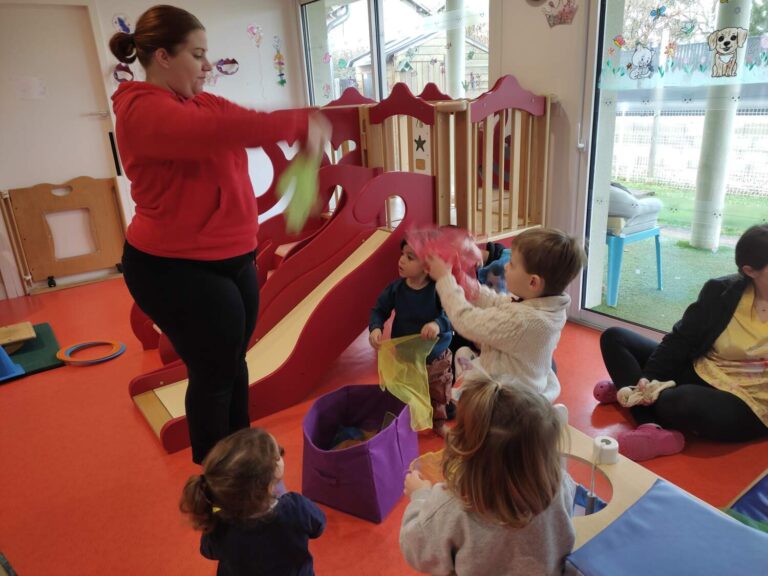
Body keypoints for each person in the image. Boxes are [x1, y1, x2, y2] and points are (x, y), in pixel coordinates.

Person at [109, 5, 329, 463]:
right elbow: (223, 130)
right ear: (164, 56)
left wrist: (301, 124)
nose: (208, 65)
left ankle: (242, 460)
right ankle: (219, 481)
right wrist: (300, 123)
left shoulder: (200, 100)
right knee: (214, 371)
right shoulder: (141, 110)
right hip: (173, 267)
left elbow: (243, 118)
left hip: (232, 257)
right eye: (198, 54)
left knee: (233, 362)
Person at [598, 224, 768, 461]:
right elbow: (681, 340)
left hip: (751, 402)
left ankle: (628, 392)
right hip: (704, 370)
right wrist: (648, 378)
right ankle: (649, 423)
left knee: (680, 400)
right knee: (615, 337)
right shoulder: (721, 292)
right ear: (750, 271)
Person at [399, 373, 576, 576]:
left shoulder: (452, 506)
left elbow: (416, 550)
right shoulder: (560, 484)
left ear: (466, 451)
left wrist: (420, 497)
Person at [426, 228, 586, 402]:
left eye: (512, 264)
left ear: (533, 282)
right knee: (465, 353)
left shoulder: (524, 320)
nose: (505, 266)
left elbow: (466, 320)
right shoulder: (546, 305)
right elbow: (497, 302)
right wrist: (462, 280)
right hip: (527, 378)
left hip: (507, 401)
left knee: (471, 397)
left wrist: (444, 280)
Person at [180, 427, 326, 575]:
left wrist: (216, 510)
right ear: (272, 472)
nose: (282, 453)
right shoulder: (296, 508)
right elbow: (319, 526)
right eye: (278, 454)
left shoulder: (220, 521)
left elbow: (208, 551)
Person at [369, 240, 453, 435]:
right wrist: (375, 328)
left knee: (438, 391)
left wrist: (436, 324)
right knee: (404, 390)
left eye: (410, 257)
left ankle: (439, 423)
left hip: (435, 357)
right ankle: (404, 422)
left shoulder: (438, 290)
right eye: (402, 254)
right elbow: (379, 311)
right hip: (406, 356)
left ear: (427, 266)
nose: (401, 260)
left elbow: (451, 313)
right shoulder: (396, 289)